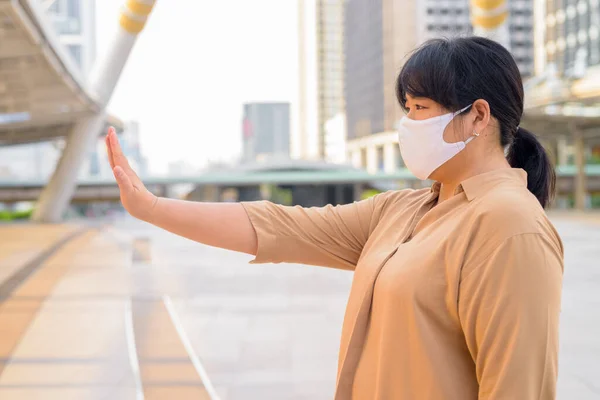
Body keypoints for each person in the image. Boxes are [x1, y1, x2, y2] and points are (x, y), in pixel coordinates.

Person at [106, 36, 564, 399]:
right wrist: (153, 208)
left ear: (478, 116)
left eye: (420, 109)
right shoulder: (404, 209)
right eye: (406, 109)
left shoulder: (510, 225)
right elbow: (279, 228)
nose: (408, 124)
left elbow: (517, 387)